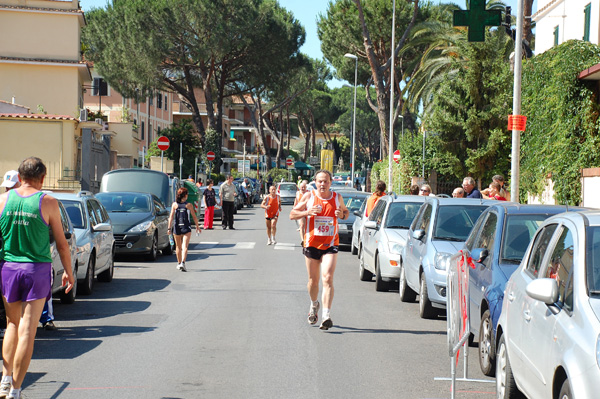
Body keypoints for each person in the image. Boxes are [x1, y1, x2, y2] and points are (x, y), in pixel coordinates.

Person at [0, 157, 75, 399]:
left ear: (19, 177)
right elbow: (62, 245)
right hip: (36, 271)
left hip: (8, 268)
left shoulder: (3, 200)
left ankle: (5, 378)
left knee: (12, 324)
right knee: (28, 332)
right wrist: (69, 273)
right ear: (42, 179)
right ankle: (16, 390)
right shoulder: (48, 202)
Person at [290, 169, 349, 331]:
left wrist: (341, 214)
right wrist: (308, 212)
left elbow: (345, 212)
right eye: (320, 181)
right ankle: (314, 304)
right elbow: (292, 214)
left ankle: (326, 316)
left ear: (331, 182)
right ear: (315, 182)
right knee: (313, 281)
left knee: (328, 278)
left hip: (330, 243)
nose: (323, 184)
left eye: (326, 181)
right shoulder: (309, 196)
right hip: (311, 243)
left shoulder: (337, 198)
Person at [168, 187, 201, 272]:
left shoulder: (174, 205)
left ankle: (179, 263)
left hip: (177, 227)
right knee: (185, 246)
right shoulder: (189, 205)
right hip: (186, 227)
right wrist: (197, 226)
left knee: (178, 247)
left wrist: (169, 228)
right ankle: (183, 262)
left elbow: (171, 217)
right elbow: (194, 216)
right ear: (185, 195)